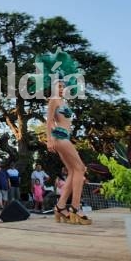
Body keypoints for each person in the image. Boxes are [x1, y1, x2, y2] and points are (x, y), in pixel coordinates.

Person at [46, 80, 91, 225]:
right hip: (60, 137)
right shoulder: (53, 101)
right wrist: (50, 139)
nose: (61, 89)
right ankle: (76, 207)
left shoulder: (63, 102)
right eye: (58, 86)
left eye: (62, 87)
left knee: (73, 171)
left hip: (64, 136)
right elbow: (49, 121)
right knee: (81, 168)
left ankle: (60, 206)